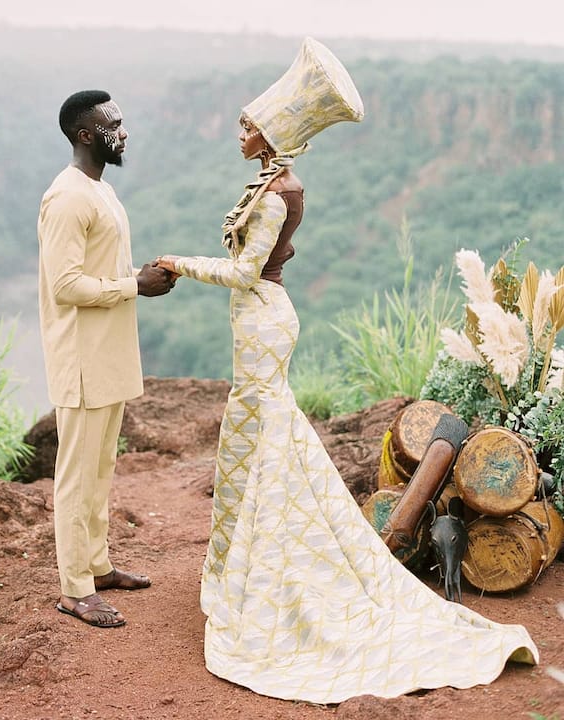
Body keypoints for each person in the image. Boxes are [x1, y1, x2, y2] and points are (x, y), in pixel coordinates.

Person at [155, 37, 538, 704]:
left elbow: (247, 271)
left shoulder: (279, 194)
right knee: (259, 442)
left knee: (264, 442)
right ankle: (246, 573)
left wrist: (177, 264)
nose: (240, 132)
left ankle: (267, 578)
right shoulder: (277, 185)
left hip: (263, 317)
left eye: (250, 125)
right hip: (262, 318)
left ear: (272, 132)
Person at [37, 90, 174, 629]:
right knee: (76, 475)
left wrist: (136, 276)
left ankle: (95, 565)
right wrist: (134, 284)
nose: (124, 132)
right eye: (112, 124)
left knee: (101, 468)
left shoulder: (100, 190)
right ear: (84, 134)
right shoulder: (68, 197)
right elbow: (66, 284)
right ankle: (74, 589)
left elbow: (100, 268)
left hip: (108, 355)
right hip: (82, 359)